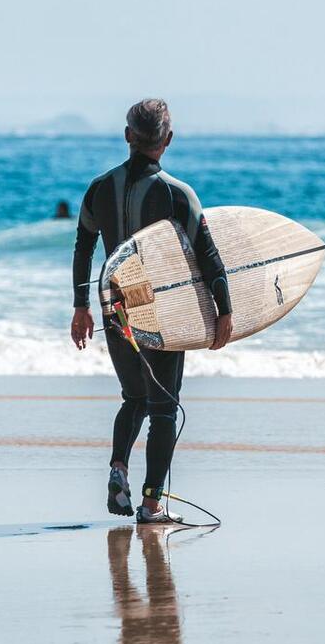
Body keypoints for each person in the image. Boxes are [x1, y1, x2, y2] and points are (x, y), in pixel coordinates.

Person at [71, 98, 233, 525]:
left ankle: (118, 468)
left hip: (114, 307)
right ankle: (150, 504)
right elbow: (208, 254)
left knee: (134, 398)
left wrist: (80, 306)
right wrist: (225, 310)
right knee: (163, 407)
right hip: (159, 308)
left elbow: (84, 246)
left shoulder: (99, 188)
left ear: (128, 136)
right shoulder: (176, 193)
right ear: (167, 140)